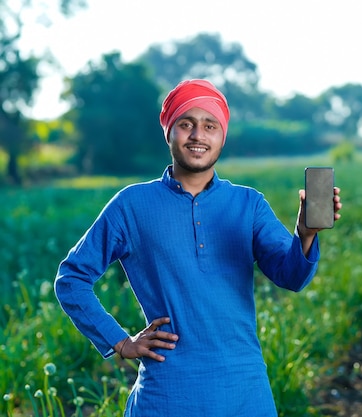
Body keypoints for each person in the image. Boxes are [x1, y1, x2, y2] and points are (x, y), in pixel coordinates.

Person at [54, 79, 342, 416]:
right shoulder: (132, 205)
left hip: (245, 393)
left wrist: (305, 234)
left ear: (222, 136)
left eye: (210, 126)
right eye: (185, 124)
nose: (198, 135)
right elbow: (71, 279)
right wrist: (119, 341)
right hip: (165, 396)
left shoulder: (248, 204)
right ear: (169, 132)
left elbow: (292, 277)